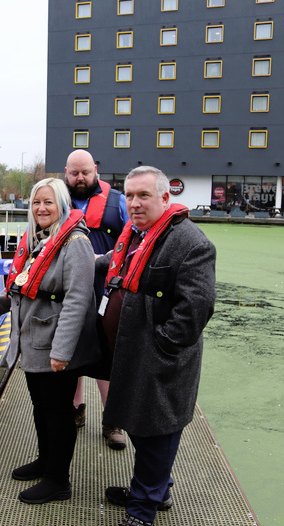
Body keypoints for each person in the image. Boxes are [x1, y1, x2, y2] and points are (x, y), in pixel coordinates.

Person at [0, 177, 102, 504]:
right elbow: (21, 286)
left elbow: (78, 300)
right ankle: (46, 461)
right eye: (36, 203)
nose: (41, 208)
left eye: (48, 202)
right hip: (32, 343)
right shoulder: (36, 241)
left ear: (62, 206)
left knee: (58, 412)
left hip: (55, 346)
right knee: (41, 408)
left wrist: (62, 351)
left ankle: (58, 480)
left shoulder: (75, 243)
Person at [96, 166, 216, 526]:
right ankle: (155, 490)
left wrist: (160, 346)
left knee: (157, 433)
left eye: (143, 195)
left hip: (158, 361)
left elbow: (196, 308)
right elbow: (109, 265)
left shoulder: (191, 243)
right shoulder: (133, 235)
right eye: (129, 196)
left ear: (166, 198)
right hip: (128, 355)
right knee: (140, 428)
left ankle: (141, 512)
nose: (134, 203)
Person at [64, 149, 130, 450]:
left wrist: (102, 260)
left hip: (107, 289)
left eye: (85, 172)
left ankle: (112, 419)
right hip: (67, 289)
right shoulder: (54, 200)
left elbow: (133, 242)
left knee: (109, 355)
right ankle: (75, 410)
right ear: (66, 172)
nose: (80, 178)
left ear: (96, 171)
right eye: (74, 173)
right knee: (70, 348)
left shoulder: (118, 202)